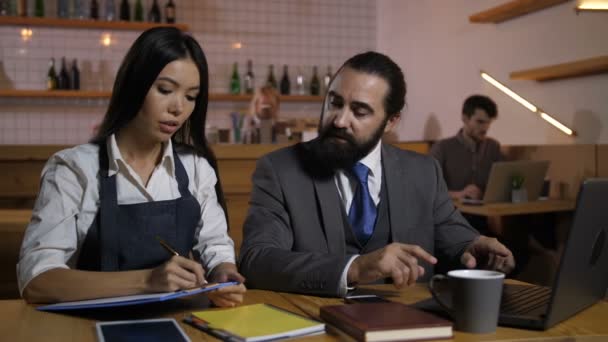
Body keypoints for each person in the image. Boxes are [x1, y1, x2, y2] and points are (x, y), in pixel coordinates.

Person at [238, 52, 515, 297]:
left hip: (409, 325)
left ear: (390, 121)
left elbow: (452, 233)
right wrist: (354, 268)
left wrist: (474, 245)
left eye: (359, 111)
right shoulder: (280, 169)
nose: (339, 120)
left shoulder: (424, 171)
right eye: (334, 102)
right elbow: (257, 261)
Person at [17, 27, 246, 307]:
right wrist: (148, 281)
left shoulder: (197, 169)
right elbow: (37, 281)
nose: (178, 108)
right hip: (88, 328)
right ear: (133, 84)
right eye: (165, 90)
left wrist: (223, 274)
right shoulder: (74, 169)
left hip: (179, 323)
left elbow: (217, 249)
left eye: (191, 96)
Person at [430, 95, 503, 201]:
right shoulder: (442, 148)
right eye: (480, 122)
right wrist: (458, 194)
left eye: (489, 122)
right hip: (452, 213)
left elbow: (502, 183)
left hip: (485, 213)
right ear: (465, 118)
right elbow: (428, 188)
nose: (485, 128)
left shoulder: (493, 147)